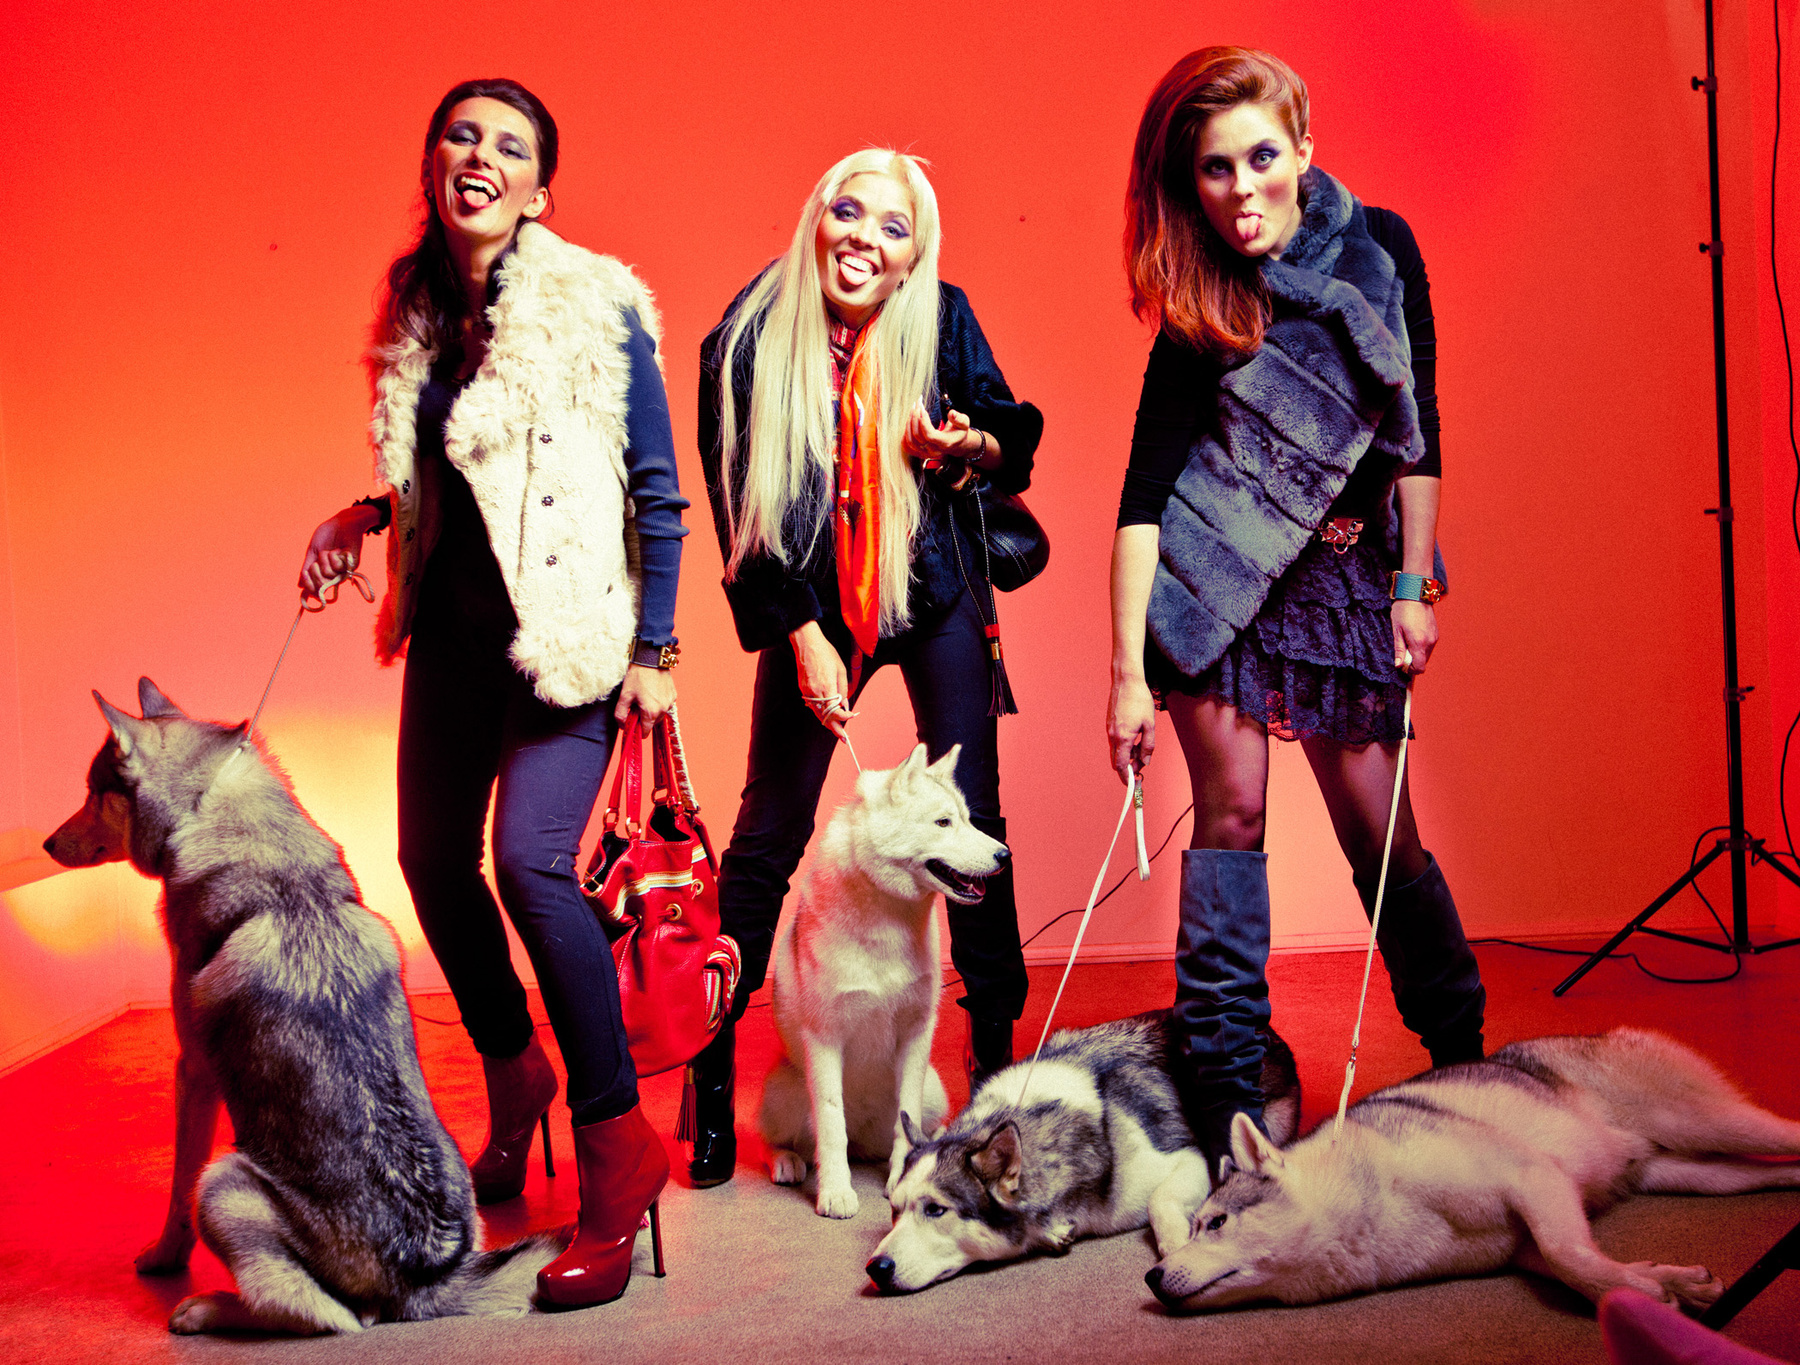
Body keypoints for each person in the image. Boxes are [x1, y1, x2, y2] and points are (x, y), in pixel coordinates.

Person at [296, 78, 686, 1308]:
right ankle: (516, 1076)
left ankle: (620, 1153)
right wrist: (363, 517)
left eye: (509, 146)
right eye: (462, 134)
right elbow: (450, 473)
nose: (481, 155)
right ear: (432, 161)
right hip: (456, 639)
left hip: (566, 634)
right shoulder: (416, 314)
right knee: (427, 858)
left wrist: (658, 651)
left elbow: (657, 488)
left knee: (531, 865)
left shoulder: (595, 303)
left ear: (540, 190)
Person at [1106, 48, 1486, 1172]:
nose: (1242, 189)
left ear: (1304, 150)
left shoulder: (1380, 252)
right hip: (1220, 585)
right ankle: (1227, 1111)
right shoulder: (1202, 295)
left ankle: (1468, 1063)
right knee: (1230, 822)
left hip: (1342, 578)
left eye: (1262, 157)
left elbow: (1418, 427)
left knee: (1383, 832)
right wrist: (1126, 673)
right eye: (1214, 169)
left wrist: (1412, 585)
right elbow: (1143, 495)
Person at [690, 149, 1043, 1187]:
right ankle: (709, 1072)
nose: (866, 239)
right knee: (769, 832)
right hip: (814, 597)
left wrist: (968, 444)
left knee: (974, 817)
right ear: (818, 217)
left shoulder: (943, 315)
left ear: (912, 254)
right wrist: (801, 634)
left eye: (894, 228)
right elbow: (741, 508)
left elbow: (1013, 438)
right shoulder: (747, 336)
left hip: (929, 582)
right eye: (850, 212)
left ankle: (994, 1069)